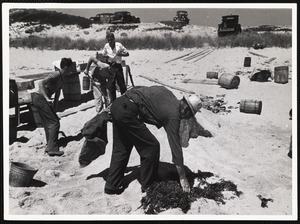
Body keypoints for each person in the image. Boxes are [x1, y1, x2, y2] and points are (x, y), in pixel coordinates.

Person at [104, 85, 203, 195]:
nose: (188, 117)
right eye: (190, 114)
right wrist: (182, 177)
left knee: (122, 148)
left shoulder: (168, 94)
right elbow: (176, 148)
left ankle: (112, 186)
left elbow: (141, 89)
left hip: (118, 105)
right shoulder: (173, 116)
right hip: (129, 112)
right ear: (186, 110)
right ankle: (148, 185)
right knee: (151, 147)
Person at [32, 58, 74, 156]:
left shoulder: (62, 78)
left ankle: (49, 145)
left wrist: (54, 108)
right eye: (70, 69)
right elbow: (41, 83)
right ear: (66, 68)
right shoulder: (56, 74)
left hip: (41, 99)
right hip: (40, 98)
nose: (71, 71)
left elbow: (57, 94)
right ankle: (52, 148)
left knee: (48, 123)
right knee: (55, 123)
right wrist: (47, 98)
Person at [102, 32, 129, 102]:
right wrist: (107, 60)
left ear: (114, 39)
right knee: (111, 86)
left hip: (118, 66)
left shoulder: (119, 45)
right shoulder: (106, 46)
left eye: (111, 40)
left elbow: (127, 53)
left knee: (122, 85)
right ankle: (113, 102)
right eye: (108, 41)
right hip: (111, 67)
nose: (110, 42)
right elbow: (103, 55)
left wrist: (119, 54)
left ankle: (124, 100)